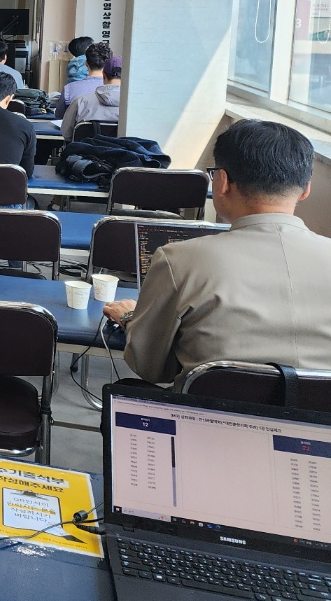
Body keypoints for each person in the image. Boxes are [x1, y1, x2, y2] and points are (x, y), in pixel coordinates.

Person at [102, 120, 331, 386]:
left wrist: (130, 318)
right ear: (305, 190)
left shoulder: (179, 261)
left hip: (207, 412)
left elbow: (150, 367)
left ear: (221, 182)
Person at [61, 55, 121, 140]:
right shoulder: (135, 107)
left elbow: (66, 134)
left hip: (85, 149)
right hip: (122, 149)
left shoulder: (80, 102)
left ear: (103, 76)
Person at [55, 40, 111, 118]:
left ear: (86, 63)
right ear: (108, 64)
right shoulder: (117, 90)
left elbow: (59, 115)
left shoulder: (69, 89)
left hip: (78, 125)